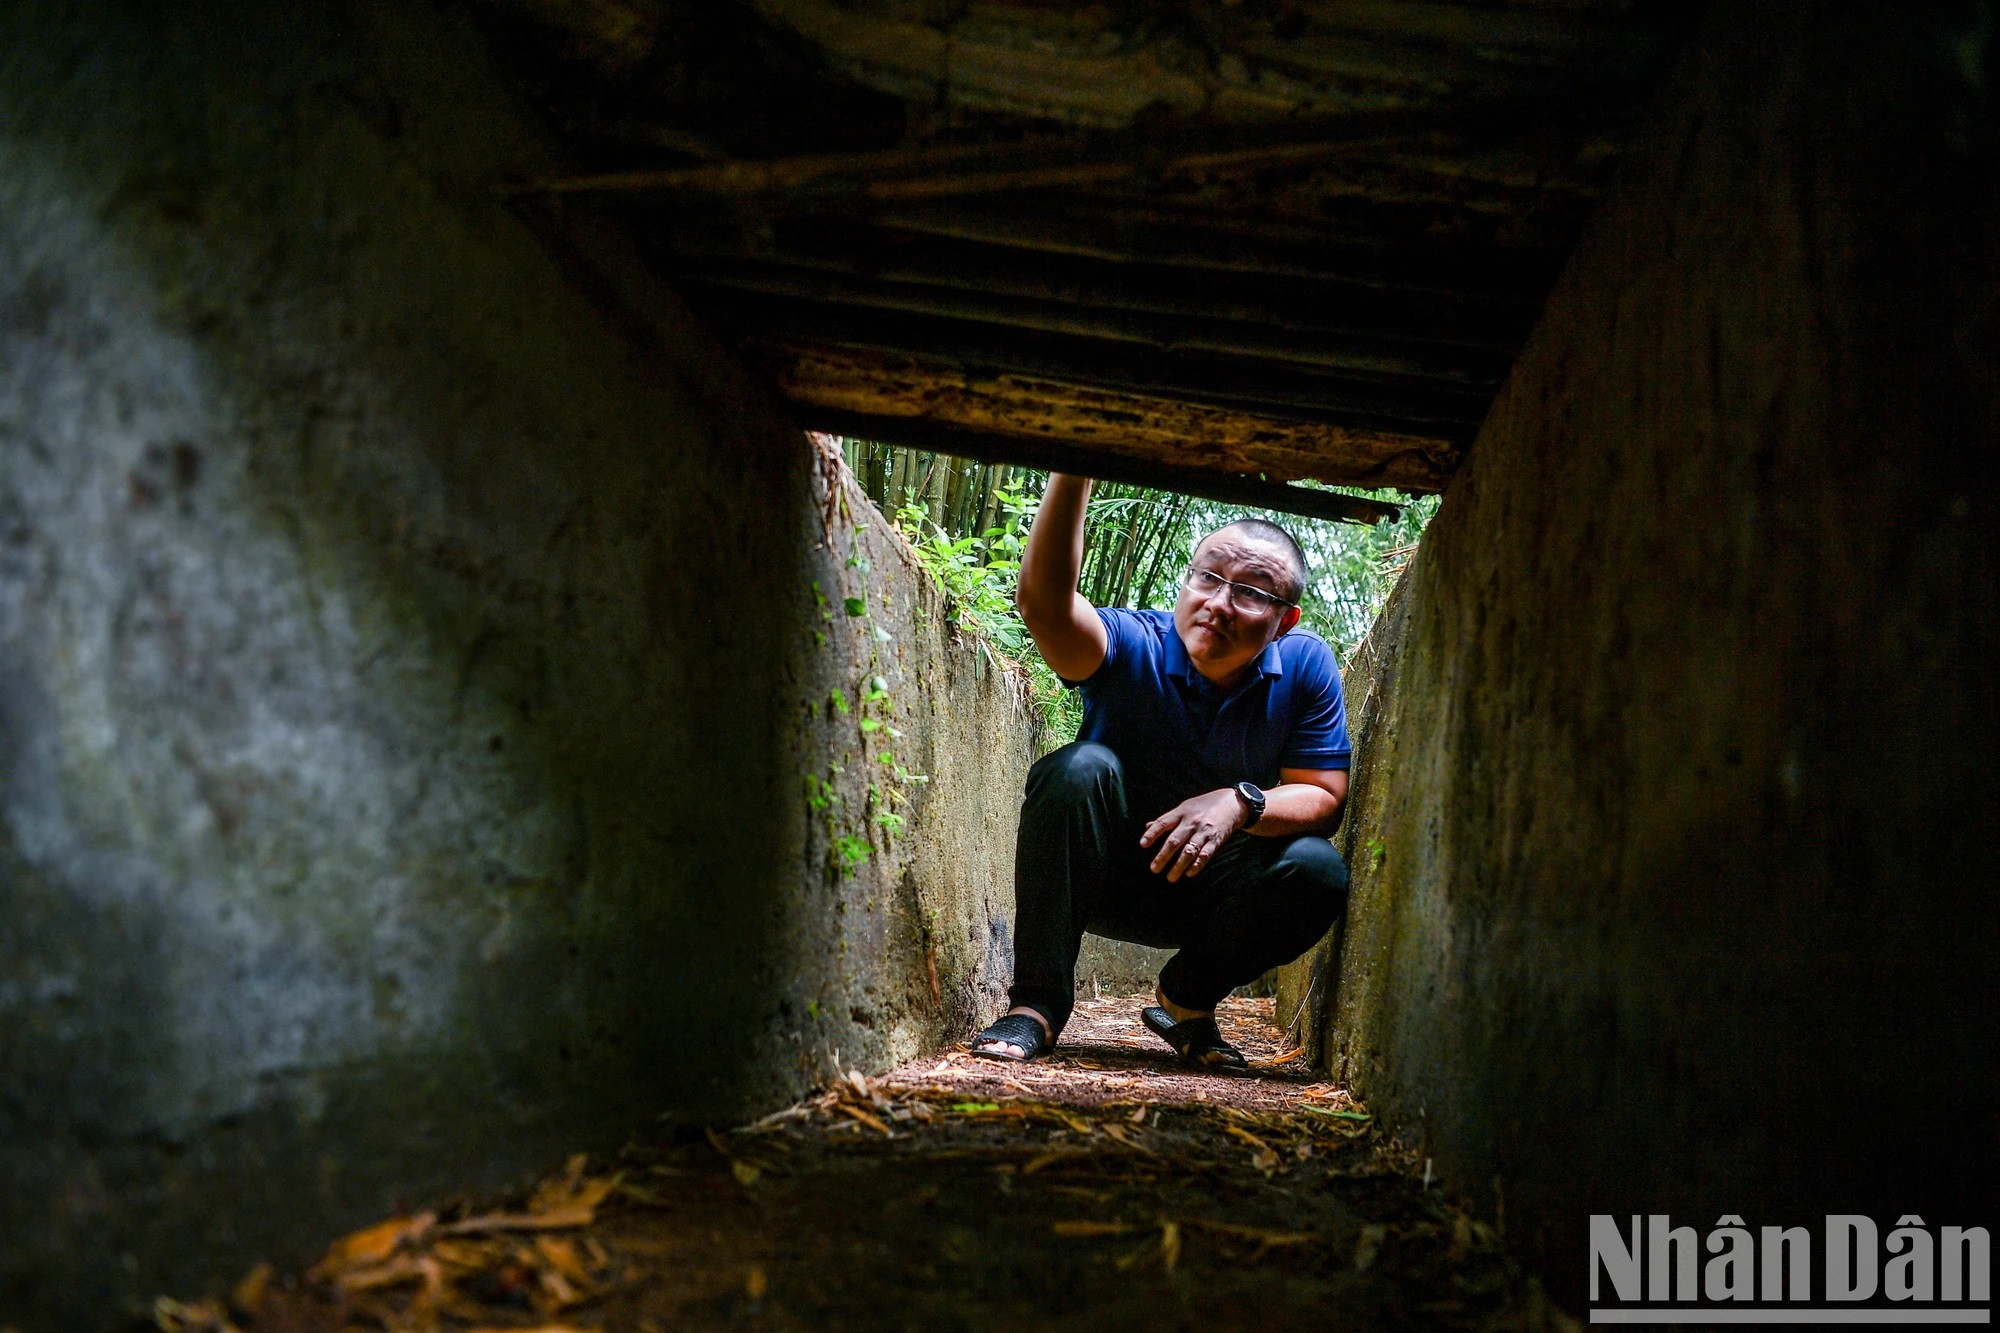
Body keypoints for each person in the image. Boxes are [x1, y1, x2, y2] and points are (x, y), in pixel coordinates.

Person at [971, 474, 1353, 1068]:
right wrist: (1073, 470)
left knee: (1317, 869)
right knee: (1078, 768)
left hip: (1213, 900)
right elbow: (1045, 606)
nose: (1220, 604)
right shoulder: (1133, 640)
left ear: (1285, 621)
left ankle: (1187, 1001)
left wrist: (1238, 801)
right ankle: (1036, 1006)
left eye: (1252, 593)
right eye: (1210, 578)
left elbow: (1324, 796)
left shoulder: (1306, 667)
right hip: (1103, 879)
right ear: (1189, 580)